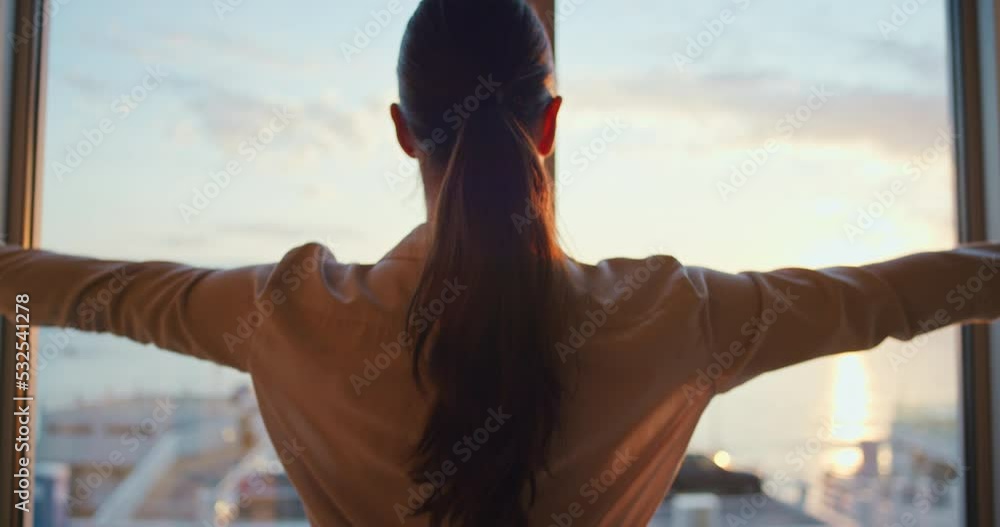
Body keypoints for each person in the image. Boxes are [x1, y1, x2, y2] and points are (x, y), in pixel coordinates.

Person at [1, 0, 998, 525]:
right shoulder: (669, 318)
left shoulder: (287, 312)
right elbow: (889, 298)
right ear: (550, 123)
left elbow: (90, 292)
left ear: (401, 131)